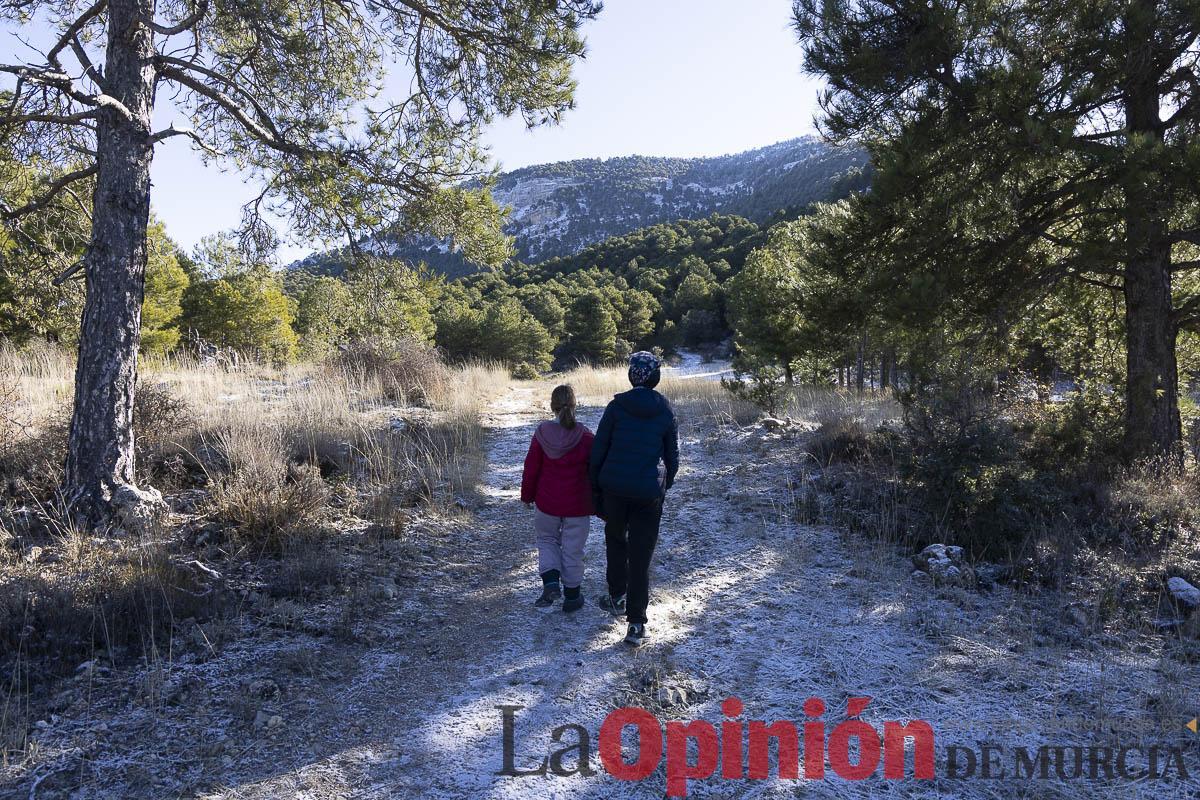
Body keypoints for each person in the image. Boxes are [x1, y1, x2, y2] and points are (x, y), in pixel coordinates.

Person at [589, 351, 679, 646]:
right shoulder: (665, 410)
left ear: (631, 376)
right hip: (648, 493)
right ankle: (637, 624)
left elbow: (599, 450)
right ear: (656, 377)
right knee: (641, 557)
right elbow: (672, 457)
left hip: (614, 489)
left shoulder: (616, 407)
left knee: (616, 541)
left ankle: (617, 597)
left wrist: (595, 487)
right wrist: (664, 486)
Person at [521, 384, 594, 613]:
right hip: (577, 506)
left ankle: (551, 583)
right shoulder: (586, 437)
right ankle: (572, 597)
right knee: (573, 549)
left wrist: (527, 495)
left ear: (552, 406)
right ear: (574, 405)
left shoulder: (542, 433)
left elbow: (531, 468)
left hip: (547, 503)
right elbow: (596, 471)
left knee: (547, 540)